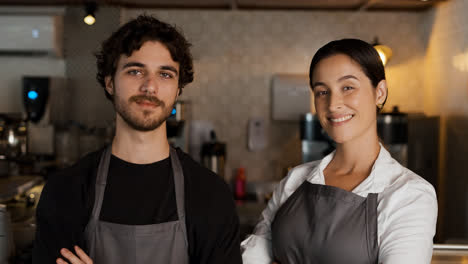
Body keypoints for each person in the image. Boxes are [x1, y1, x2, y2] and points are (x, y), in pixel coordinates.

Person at [32, 15, 242, 264]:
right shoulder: (66, 191)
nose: (150, 87)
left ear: (178, 90)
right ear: (110, 82)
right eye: (135, 71)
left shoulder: (210, 194)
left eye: (165, 75)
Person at [241, 39, 437, 264]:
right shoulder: (296, 179)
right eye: (322, 91)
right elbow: (254, 255)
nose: (333, 104)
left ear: (380, 92)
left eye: (347, 87)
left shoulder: (410, 194)